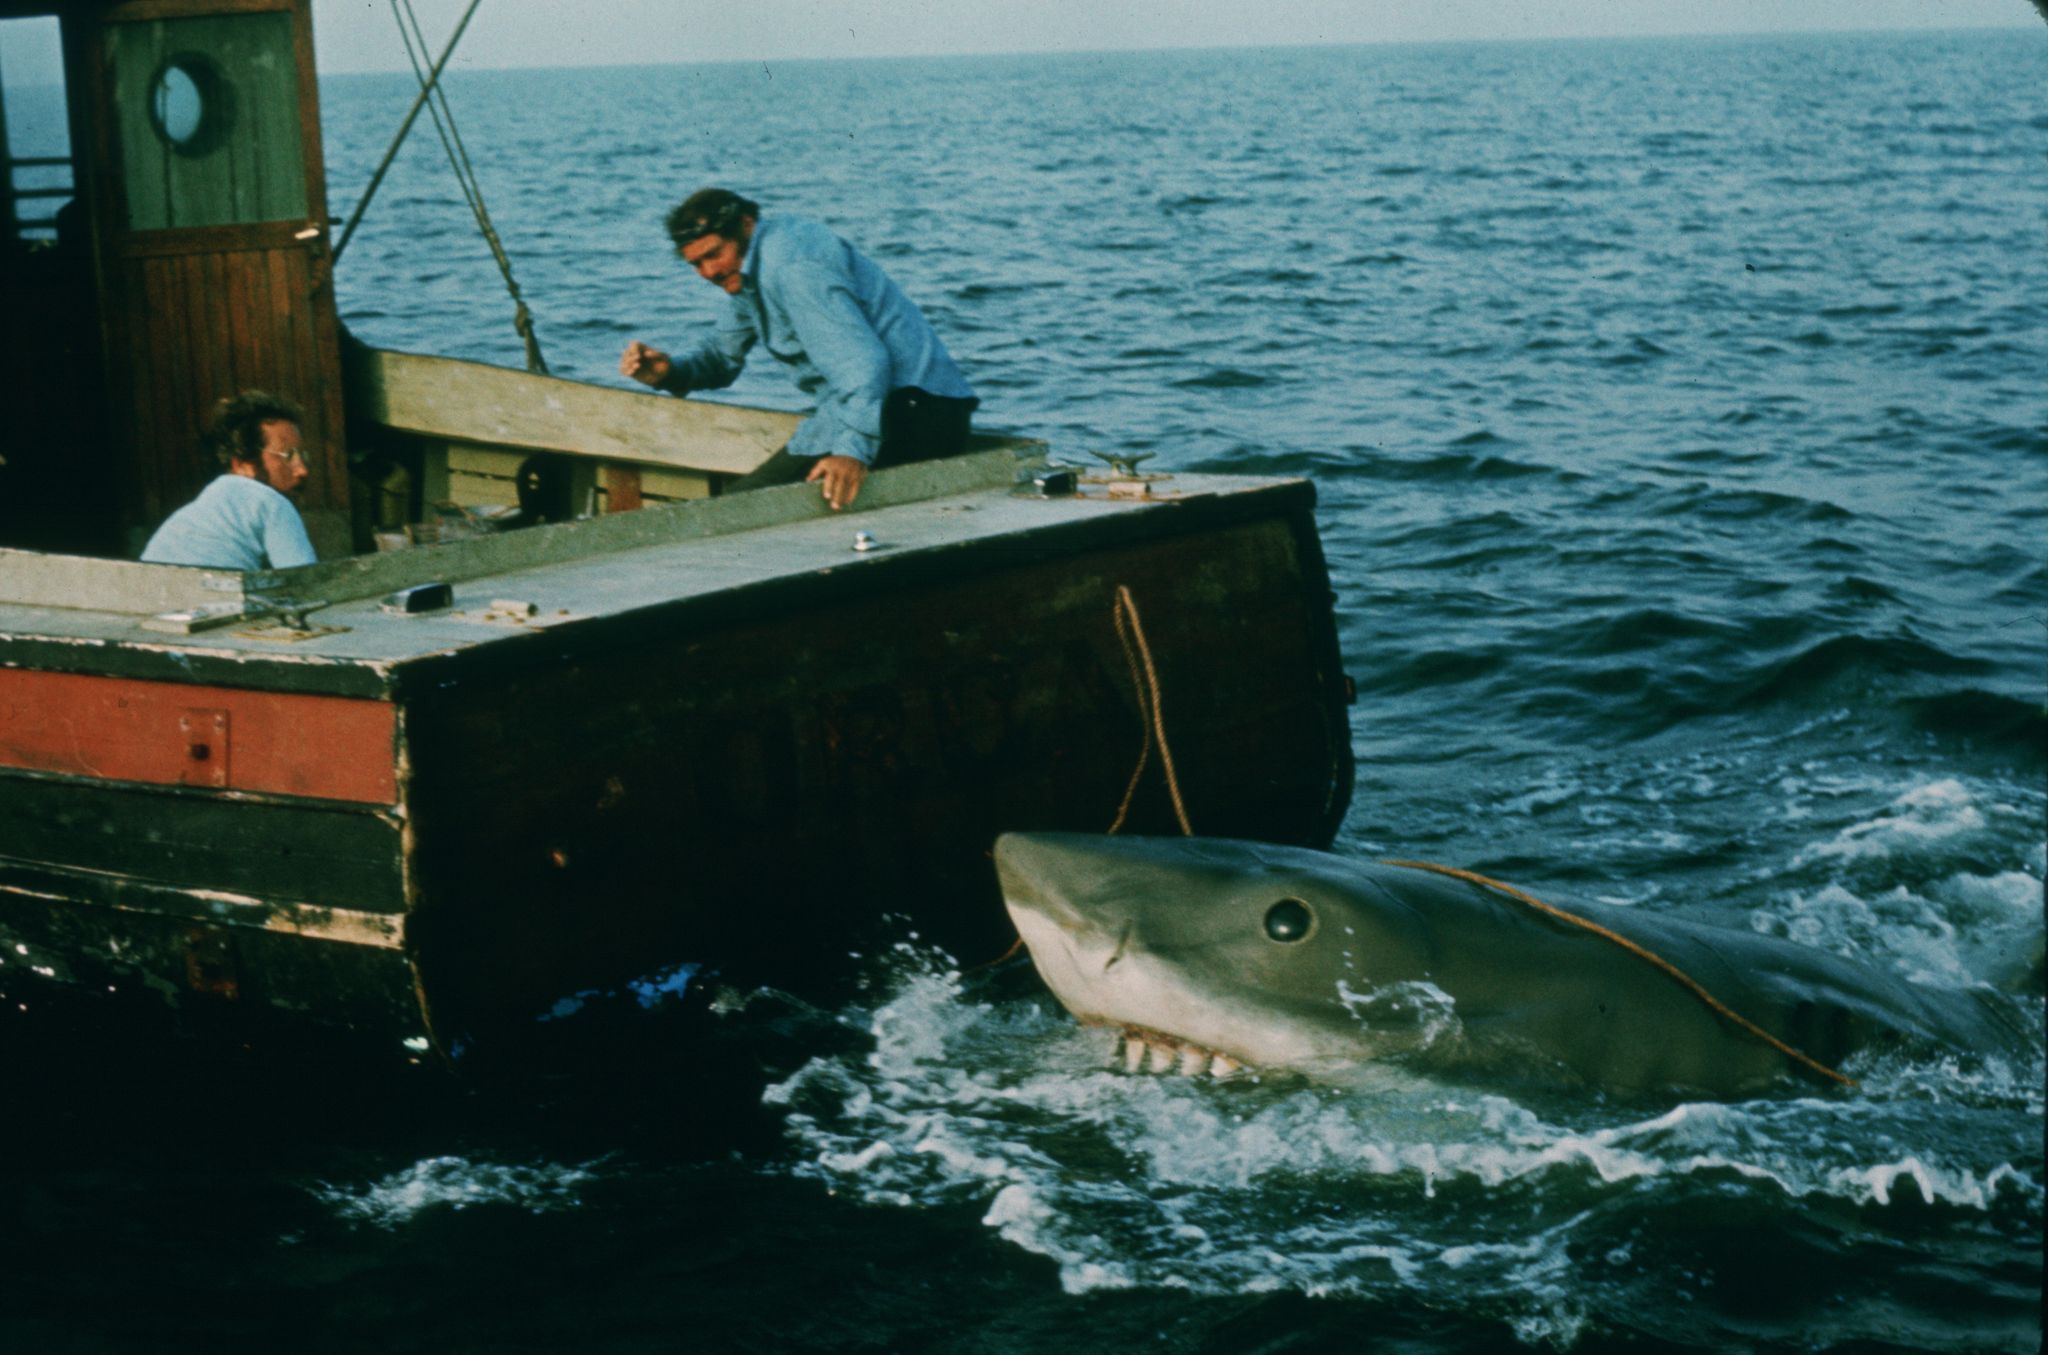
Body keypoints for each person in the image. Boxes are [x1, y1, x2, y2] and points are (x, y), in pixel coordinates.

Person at [620, 188, 977, 511]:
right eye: (696, 264)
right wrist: (670, 373)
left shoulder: (790, 265)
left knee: (732, 513)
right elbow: (721, 358)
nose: (708, 272)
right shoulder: (748, 269)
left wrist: (852, 452)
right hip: (877, 408)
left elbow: (865, 365)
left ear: (746, 225)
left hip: (915, 411)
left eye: (713, 255)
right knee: (739, 508)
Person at [141, 391, 317, 570]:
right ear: (242, 463)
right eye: (287, 456)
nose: (302, 470)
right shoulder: (272, 503)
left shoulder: (197, 512)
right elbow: (306, 582)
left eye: (303, 456)